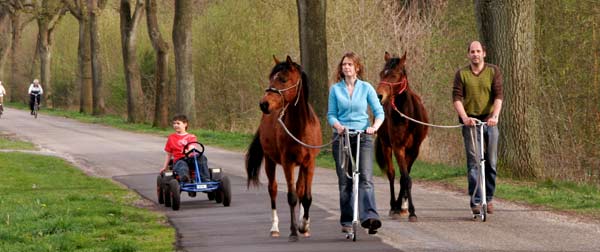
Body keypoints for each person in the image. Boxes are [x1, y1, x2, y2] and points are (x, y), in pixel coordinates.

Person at [327, 52, 385, 235]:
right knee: (345, 182)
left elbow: (379, 112)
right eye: (344, 64)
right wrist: (338, 126)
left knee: (365, 178)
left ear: (357, 68)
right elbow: (331, 115)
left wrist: (374, 127)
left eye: (350, 64)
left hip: (363, 136)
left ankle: (369, 217)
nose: (346, 67)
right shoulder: (335, 89)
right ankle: (346, 219)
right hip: (342, 137)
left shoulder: (366, 88)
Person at [452, 41, 503, 215]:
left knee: (491, 161)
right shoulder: (462, 74)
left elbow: (498, 96)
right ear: (468, 54)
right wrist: (465, 117)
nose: (475, 54)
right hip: (470, 122)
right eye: (472, 52)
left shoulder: (493, 71)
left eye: (478, 51)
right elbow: (457, 98)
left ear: (484, 53)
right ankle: (475, 200)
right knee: (473, 162)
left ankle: (488, 198)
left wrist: (495, 116)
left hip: (489, 121)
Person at [160, 114, 210, 183]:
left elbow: (192, 145)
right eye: (174, 123)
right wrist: (165, 167)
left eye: (178, 123)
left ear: (185, 124)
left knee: (201, 157)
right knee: (182, 165)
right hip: (179, 160)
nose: (175, 125)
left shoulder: (191, 136)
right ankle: (185, 178)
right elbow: (169, 154)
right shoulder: (171, 137)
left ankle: (205, 180)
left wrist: (189, 150)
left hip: (191, 159)